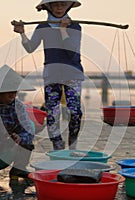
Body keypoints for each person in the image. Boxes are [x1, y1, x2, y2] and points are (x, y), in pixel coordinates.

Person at [13, 0, 83, 150]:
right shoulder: (43, 27)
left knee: (75, 111)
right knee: (52, 112)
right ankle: (57, 144)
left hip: (73, 74)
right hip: (52, 74)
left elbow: (71, 51)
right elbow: (30, 48)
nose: (59, 8)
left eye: (62, 5)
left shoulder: (75, 26)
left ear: (68, 7)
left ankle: (73, 145)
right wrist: (22, 33)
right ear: (48, 7)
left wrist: (63, 30)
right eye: (55, 5)